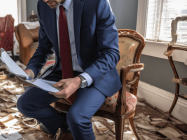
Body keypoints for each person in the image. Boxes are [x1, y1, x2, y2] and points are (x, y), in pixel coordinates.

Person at [17, 0, 121, 139]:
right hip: (62, 71)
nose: (45, 0)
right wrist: (31, 69)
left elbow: (111, 53)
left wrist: (80, 80)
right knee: (25, 104)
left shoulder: (97, 3)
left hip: (95, 73)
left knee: (77, 118)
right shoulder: (43, 6)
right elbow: (43, 47)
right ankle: (66, 127)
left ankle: (72, 124)